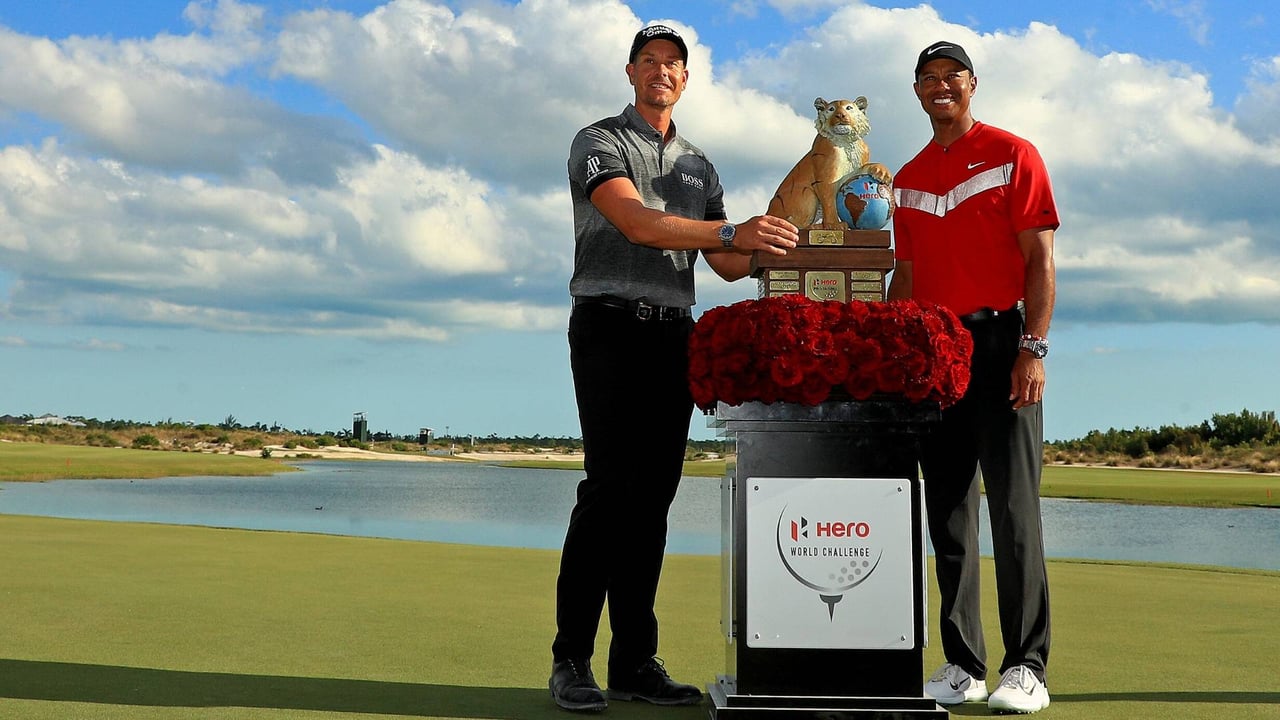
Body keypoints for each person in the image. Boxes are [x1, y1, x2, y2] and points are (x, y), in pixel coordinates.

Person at [549, 24, 799, 713]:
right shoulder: (598, 141)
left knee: (652, 499)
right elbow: (635, 222)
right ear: (631, 72)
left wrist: (782, 238)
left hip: (672, 337)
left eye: (674, 64)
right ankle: (571, 659)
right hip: (606, 327)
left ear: (686, 81)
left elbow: (725, 264)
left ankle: (633, 662)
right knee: (608, 491)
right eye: (651, 61)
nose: (663, 72)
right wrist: (729, 232)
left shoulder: (698, 165)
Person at [888, 40, 1058, 714]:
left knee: (1014, 511)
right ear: (918, 90)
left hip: (1000, 341)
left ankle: (1028, 668)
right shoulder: (905, 177)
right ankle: (964, 664)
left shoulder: (1015, 154)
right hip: (936, 351)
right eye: (928, 78)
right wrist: (897, 347)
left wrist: (1033, 346)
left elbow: (1040, 259)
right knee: (949, 512)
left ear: (972, 85)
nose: (940, 87)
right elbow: (905, 273)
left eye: (951, 77)